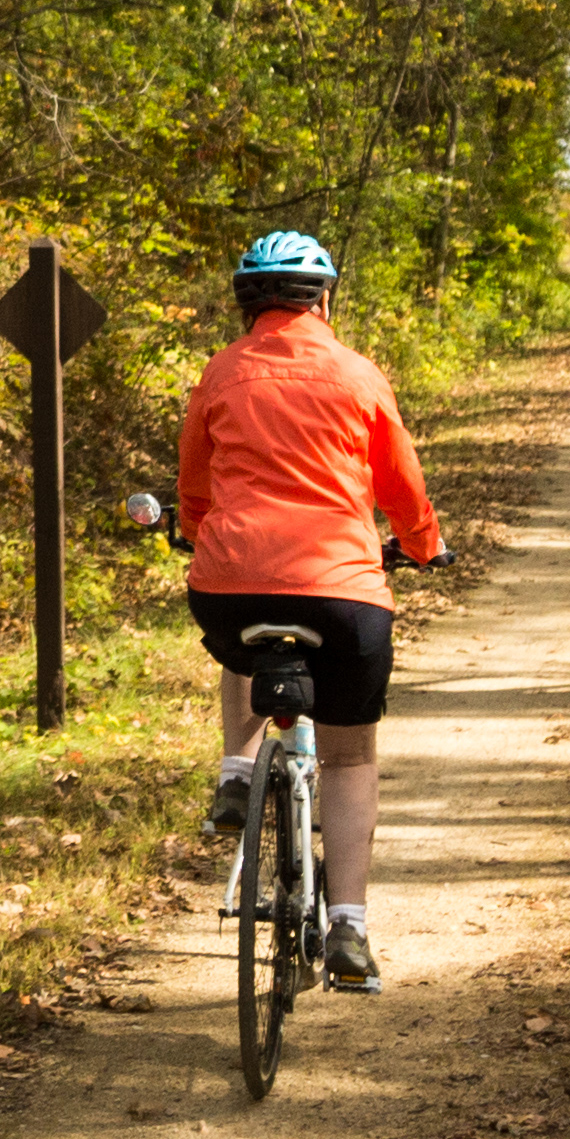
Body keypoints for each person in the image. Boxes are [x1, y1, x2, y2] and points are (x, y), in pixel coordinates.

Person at [176, 229, 446, 995]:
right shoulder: (359, 376)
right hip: (344, 591)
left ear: (246, 307)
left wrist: (202, 533)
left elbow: (196, 485)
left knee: (241, 647)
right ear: (325, 300)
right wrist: (423, 546)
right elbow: (400, 487)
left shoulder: (220, 373)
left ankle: (236, 772)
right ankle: (349, 927)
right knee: (350, 754)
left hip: (233, 588)